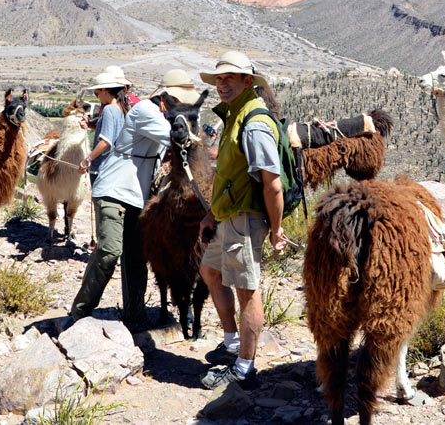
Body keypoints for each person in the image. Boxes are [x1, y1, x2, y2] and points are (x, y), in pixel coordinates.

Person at [69, 69, 200, 324]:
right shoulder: (146, 113)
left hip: (136, 198)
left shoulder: (144, 112)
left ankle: (135, 317)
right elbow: (175, 138)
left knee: (136, 258)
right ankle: (80, 312)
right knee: (109, 252)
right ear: (165, 100)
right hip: (114, 192)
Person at [197, 51, 286, 390]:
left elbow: (272, 183)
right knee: (211, 270)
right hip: (227, 215)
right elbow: (229, 173)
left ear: (248, 81)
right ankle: (233, 344)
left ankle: (244, 368)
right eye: (219, 78)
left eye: (229, 78)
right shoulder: (235, 115)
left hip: (245, 220)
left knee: (248, 291)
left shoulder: (254, 122)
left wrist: (277, 230)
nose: (222, 83)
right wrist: (211, 213)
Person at [79, 70, 132, 250]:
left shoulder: (109, 109)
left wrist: (87, 159)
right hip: (114, 168)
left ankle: (104, 249)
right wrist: (92, 125)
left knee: (102, 213)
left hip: (102, 168)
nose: (96, 96)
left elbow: (105, 141)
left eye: (97, 93)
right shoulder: (120, 109)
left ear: (105, 90)